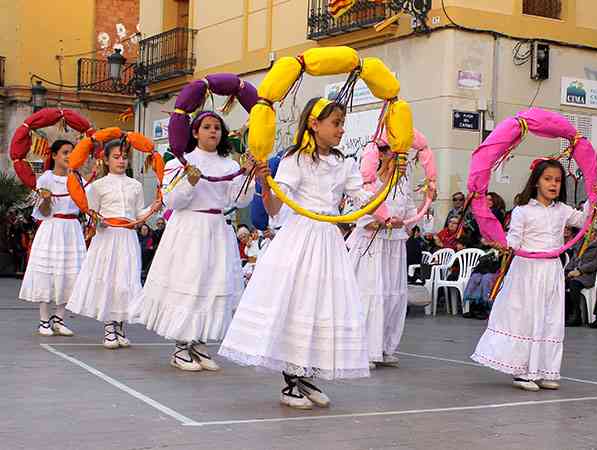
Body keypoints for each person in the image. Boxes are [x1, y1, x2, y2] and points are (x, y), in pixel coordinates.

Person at [219, 97, 404, 410]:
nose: (341, 130)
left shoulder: (344, 162)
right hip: (301, 239)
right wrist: (266, 182)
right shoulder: (295, 160)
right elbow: (277, 208)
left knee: (321, 306)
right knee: (298, 304)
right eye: (336, 123)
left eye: (343, 124)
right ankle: (291, 380)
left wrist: (390, 181)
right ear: (314, 124)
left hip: (329, 242)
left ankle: (305, 376)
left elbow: (362, 199)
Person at [130, 111, 254, 371]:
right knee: (190, 282)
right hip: (189, 229)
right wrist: (189, 182)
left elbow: (239, 199)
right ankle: (180, 346)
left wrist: (248, 174)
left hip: (217, 229)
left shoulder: (229, 165)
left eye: (217, 128)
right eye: (207, 127)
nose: (213, 132)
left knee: (212, 284)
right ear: (195, 132)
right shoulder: (181, 161)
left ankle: (199, 342)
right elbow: (172, 200)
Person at [471, 159, 597, 392]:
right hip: (527, 270)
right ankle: (522, 372)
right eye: (548, 179)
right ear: (536, 182)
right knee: (527, 318)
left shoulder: (562, 210)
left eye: (558, 180)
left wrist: (593, 197)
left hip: (551, 270)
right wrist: (500, 243)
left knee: (550, 318)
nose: (554, 184)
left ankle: (545, 370)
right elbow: (514, 240)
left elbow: (583, 220)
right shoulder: (522, 211)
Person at [67, 139, 162, 349]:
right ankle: (109, 326)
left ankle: (119, 326)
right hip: (107, 238)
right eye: (116, 157)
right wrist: (98, 221)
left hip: (127, 238)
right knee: (109, 279)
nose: (121, 161)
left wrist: (152, 208)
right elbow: (92, 213)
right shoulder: (97, 186)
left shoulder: (135, 185)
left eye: (124, 157)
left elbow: (138, 214)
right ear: (106, 160)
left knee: (125, 280)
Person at [347, 142, 420, 369]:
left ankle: (385, 347)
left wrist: (410, 220)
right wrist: (384, 223)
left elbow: (410, 214)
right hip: (373, 246)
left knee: (393, 295)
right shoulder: (370, 184)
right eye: (396, 157)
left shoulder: (404, 184)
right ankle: (365, 350)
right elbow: (362, 219)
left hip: (394, 246)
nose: (401, 163)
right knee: (371, 294)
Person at [19, 140, 86, 336]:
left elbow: (84, 205)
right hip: (52, 228)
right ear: (54, 155)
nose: (68, 156)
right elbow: (43, 212)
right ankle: (43, 320)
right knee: (47, 273)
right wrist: (46, 200)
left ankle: (59, 318)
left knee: (69, 273)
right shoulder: (46, 179)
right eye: (64, 152)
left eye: (71, 153)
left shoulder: (77, 178)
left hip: (72, 229)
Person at [563, 229, 597, 326]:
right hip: (574, 272)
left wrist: (580, 270)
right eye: (586, 232)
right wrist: (567, 271)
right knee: (559, 283)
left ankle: (577, 315)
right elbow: (574, 259)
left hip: (589, 274)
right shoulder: (581, 244)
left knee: (574, 284)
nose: (587, 234)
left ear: (596, 234)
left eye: (590, 232)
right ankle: (564, 314)